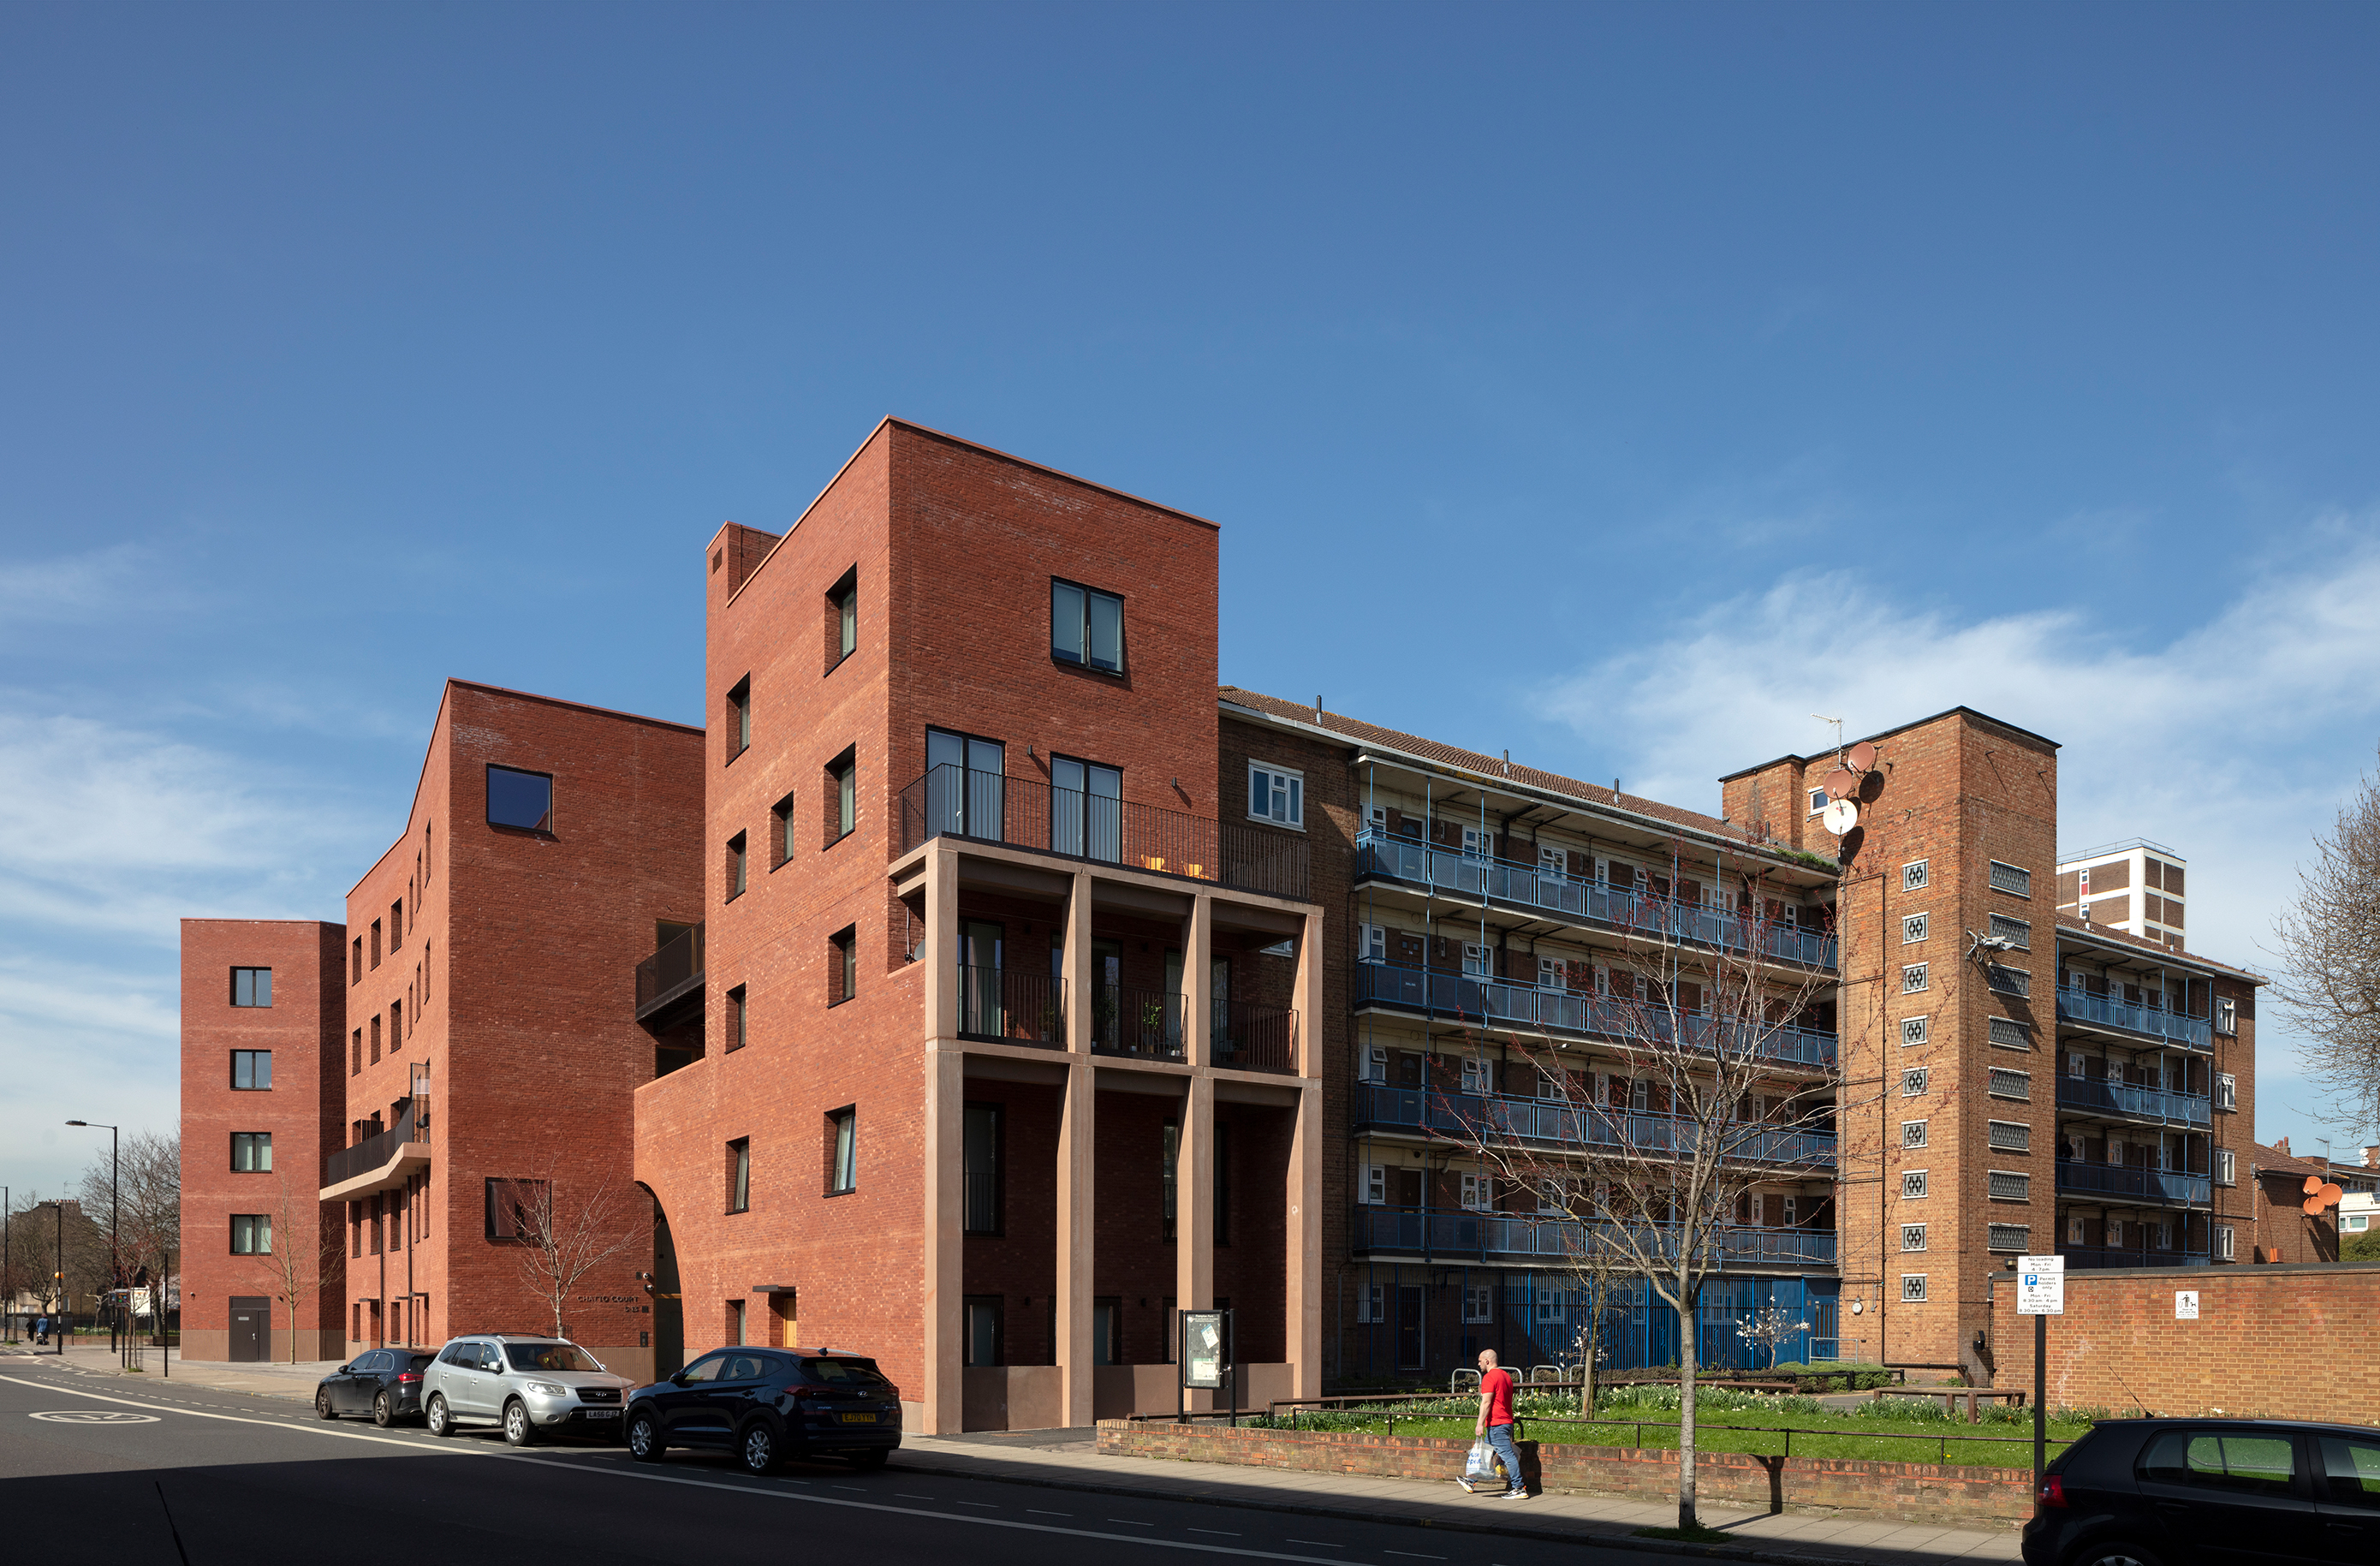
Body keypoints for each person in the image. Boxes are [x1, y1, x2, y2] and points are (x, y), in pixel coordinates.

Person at [1472, 1349, 1527, 1500]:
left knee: (1508, 1456)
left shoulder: (1489, 1377)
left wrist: (1479, 1423)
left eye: (1480, 1361)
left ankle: (1518, 1487)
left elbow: (1486, 1402)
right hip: (1506, 1421)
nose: (1478, 1364)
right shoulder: (1506, 1376)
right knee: (1485, 1453)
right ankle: (1471, 1481)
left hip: (1497, 1423)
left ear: (1487, 1361)